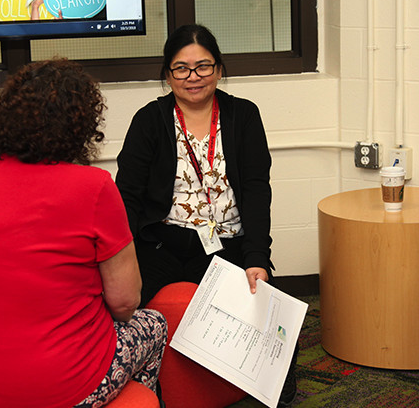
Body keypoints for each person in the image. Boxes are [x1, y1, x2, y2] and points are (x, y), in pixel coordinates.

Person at [0, 59, 167, 408]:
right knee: (153, 324)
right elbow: (124, 303)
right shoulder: (94, 187)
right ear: (82, 125)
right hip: (53, 387)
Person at [115, 24, 297, 406]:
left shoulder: (243, 115)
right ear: (167, 74)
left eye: (203, 66)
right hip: (163, 243)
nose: (192, 77)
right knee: (119, 308)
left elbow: (256, 190)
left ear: (218, 69)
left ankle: (270, 392)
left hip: (226, 244)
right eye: (181, 68)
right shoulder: (150, 120)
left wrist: (257, 258)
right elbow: (127, 196)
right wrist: (125, 258)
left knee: (268, 310)